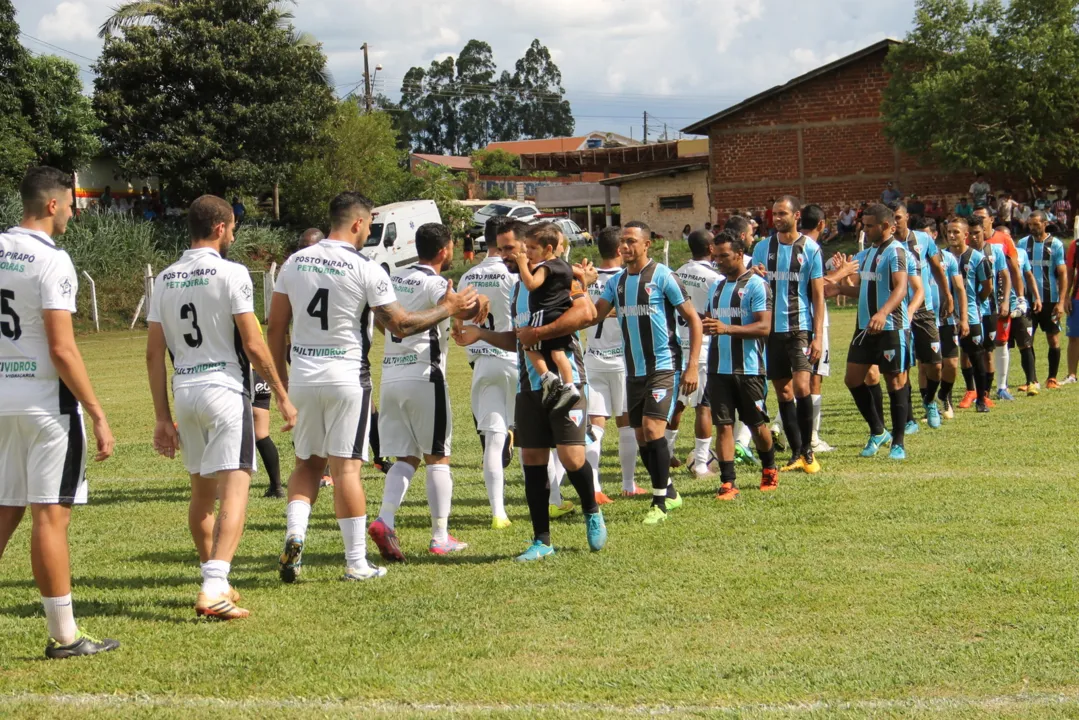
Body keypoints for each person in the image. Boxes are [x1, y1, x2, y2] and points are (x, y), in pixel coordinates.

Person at [269, 193, 477, 580]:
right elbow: (400, 325)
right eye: (368, 226)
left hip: (302, 375)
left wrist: (281, 386)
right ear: (357, 224)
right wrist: (449, 308)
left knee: (307, 464)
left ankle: (296, 535)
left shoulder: (293, 263)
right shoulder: (366, 267)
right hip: (347, 376)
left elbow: (276, 326)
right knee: (346, 470)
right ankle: (356, 562)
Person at [147, 194, 296, 620]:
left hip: (186, 391)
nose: (233, 235)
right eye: (232, 227)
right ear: (219, 227)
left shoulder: (165, 278)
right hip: (225, 390)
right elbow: (253, 344)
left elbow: (153, 354)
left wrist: (162, 416)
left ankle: (218, 580)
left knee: (201, 496)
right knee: (235, 490)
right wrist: (282, 395)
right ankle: (213, 587)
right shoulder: (232, 273)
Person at [0, 167, 118, 658]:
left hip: (1, 397)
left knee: (5, 509)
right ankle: (65, 636)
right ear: (52, 205)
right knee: (50, 517)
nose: (73, 210)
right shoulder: (53, 260)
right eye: (70, 202)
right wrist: (97, 411)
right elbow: (62, 348)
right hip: (45, 404)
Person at [453, 235, 607, 561]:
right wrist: (480, 334)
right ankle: (542, 540)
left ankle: (591, 510)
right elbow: (518, 339)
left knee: (572, 458)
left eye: (511, 248)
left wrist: (538, 334)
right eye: (503, 249)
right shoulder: (519, 288)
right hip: (529, 387)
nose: (505, 254)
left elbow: (586, 313)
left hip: (568, 385)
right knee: (532, 463)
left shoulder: (557, 279)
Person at [370, 223, 480, 560]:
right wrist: (478, 304)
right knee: (438, 458)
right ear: (446, 249)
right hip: (425, 376)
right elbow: (461, 308)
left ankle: (385, 520)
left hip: (390, 376)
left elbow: (380, 319)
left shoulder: (395, 277)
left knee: (406, 457)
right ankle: (440, 537)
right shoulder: (435, 282)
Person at [592, 222, 702, 525]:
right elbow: (593, 315)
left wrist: (692, 365)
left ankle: (659, 503)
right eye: (622, 243)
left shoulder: (664, 276)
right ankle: (669, 490)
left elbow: (694, 320)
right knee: (641, 437)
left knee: (654, 430)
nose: (625, 247)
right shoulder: (616, 283)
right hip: (634, 371)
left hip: (663, 366)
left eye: (631, 241)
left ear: (646, 245)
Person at [749, 196, 825, 474]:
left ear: (796, 216)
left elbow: (818, 295)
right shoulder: (762, 248)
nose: (777, 218)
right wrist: (753, 275)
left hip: (799, 328)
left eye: (782, 213)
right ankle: (795, 453)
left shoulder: (811, 249)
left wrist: (818, 336)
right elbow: (752, 285)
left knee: (803, 386)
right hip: (771, 331)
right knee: (783, 391)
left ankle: (808, 450)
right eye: (774, 214)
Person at [832, 204, 913, 459]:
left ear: (886, 226)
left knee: (895, 382)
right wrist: (841, 289)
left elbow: (900, 288)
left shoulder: (897, 252)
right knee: (852, 379)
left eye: (869, 226)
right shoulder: (866, 254)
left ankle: (898, 442)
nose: (864, 230)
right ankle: (878, 431)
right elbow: (863, 288)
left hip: (891, 327)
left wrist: (883, 312)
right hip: (864, 328)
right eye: (863, 225)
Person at [704, 230, 779, 500]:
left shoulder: (757, 285)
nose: (719, 261)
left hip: (749, 369)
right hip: (718, 369)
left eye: (724, 256)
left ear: (739, 254)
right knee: (723, 425)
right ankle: (728, 482)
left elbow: (764, 327)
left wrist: (726, 328)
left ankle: (769, 468)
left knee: (757, 425)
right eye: (716, 257)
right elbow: (711, 321)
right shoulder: (716, 287)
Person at [458, 217, 522, 527]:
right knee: (534, 440)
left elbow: (459, 326)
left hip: (483, 364)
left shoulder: (467, 277)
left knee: (494, 443)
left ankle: (499, 513)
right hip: (515, 360)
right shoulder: (515, 277)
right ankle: (553, 500)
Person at [582, 226, 647, 499]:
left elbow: (585, 315)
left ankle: (594, 487)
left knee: (595, 425)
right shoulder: (626, 279)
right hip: (621, 360)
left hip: (592, 358)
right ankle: (629, 484)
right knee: (627, 424)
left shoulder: (585, 278)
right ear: (620, 249)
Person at [894, 205, 951, 429]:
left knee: (935, 365)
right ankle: (909, 418)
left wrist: (947, 294)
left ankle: (929, 402)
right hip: (897, 312)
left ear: (907, 217)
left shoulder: (923, 240)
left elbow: (937, 268)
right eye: (892, 218)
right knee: (903, 367)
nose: (895, 222)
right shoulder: (887, 246)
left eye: (898, 217)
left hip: (924, 310)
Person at [671, 230, 722, 477]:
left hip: (676, 346)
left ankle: (666, 451)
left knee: (677, 403)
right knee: (704, 406)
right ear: (711, 248)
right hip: (701, 349)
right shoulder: (715, 278)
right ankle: (701, 463)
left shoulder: (677, 272)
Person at [513, 224, 580, 412]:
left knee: (527, 344)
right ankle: (569, 385)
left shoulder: (546, 267)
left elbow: (531, 284)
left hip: (543, 313)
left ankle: (547, 377)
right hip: (561, 313)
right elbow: (579, 274)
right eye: (526, 247)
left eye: (533, 248)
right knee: (558, 353)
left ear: (548, 249)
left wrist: (522, 265)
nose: (528, 252)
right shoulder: (565, 266)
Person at [798, 204, 836, 452]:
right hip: (813, 321)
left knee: (796, 381)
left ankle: (784, 428)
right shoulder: (812, 249)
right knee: (814, 380)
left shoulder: (786, 246)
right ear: (822, 224)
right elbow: (818, 290)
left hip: (793, 323)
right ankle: (811, 437)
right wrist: (841, 274)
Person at [945, 218, 992, 411]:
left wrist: (975, 302)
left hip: (971, 316)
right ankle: (945, 402)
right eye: (949, 232)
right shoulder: (941, 256)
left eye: (956, 232)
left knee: (976, 356)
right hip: (945, 317)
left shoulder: (977, 258)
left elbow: (987, 287)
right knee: (946, 361)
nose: (951, 235)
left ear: (965, 235)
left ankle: (981, 399)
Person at [1017, 210, 1066, 389]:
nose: (1032, 228)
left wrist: (1061, 302)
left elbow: (1062, 274)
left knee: (1053, 339)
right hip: (1028, 301)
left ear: (1045, 224)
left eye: (1036, 224)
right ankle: (1032, 380)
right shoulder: (1022, 244)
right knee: (1026, 340)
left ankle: (1052, 378)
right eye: (1030, 224)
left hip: (1050, 299)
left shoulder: (1056, 245)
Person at [1009, 243, 1041, 395]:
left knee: (1026, 345)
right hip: (1000, 307)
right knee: (1002, 347)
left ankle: (1032, 382)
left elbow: (1028, 275)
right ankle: (1003, 385)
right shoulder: (992, 253)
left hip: (1021, 307)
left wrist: (1037, 296)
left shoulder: (1020, 253)